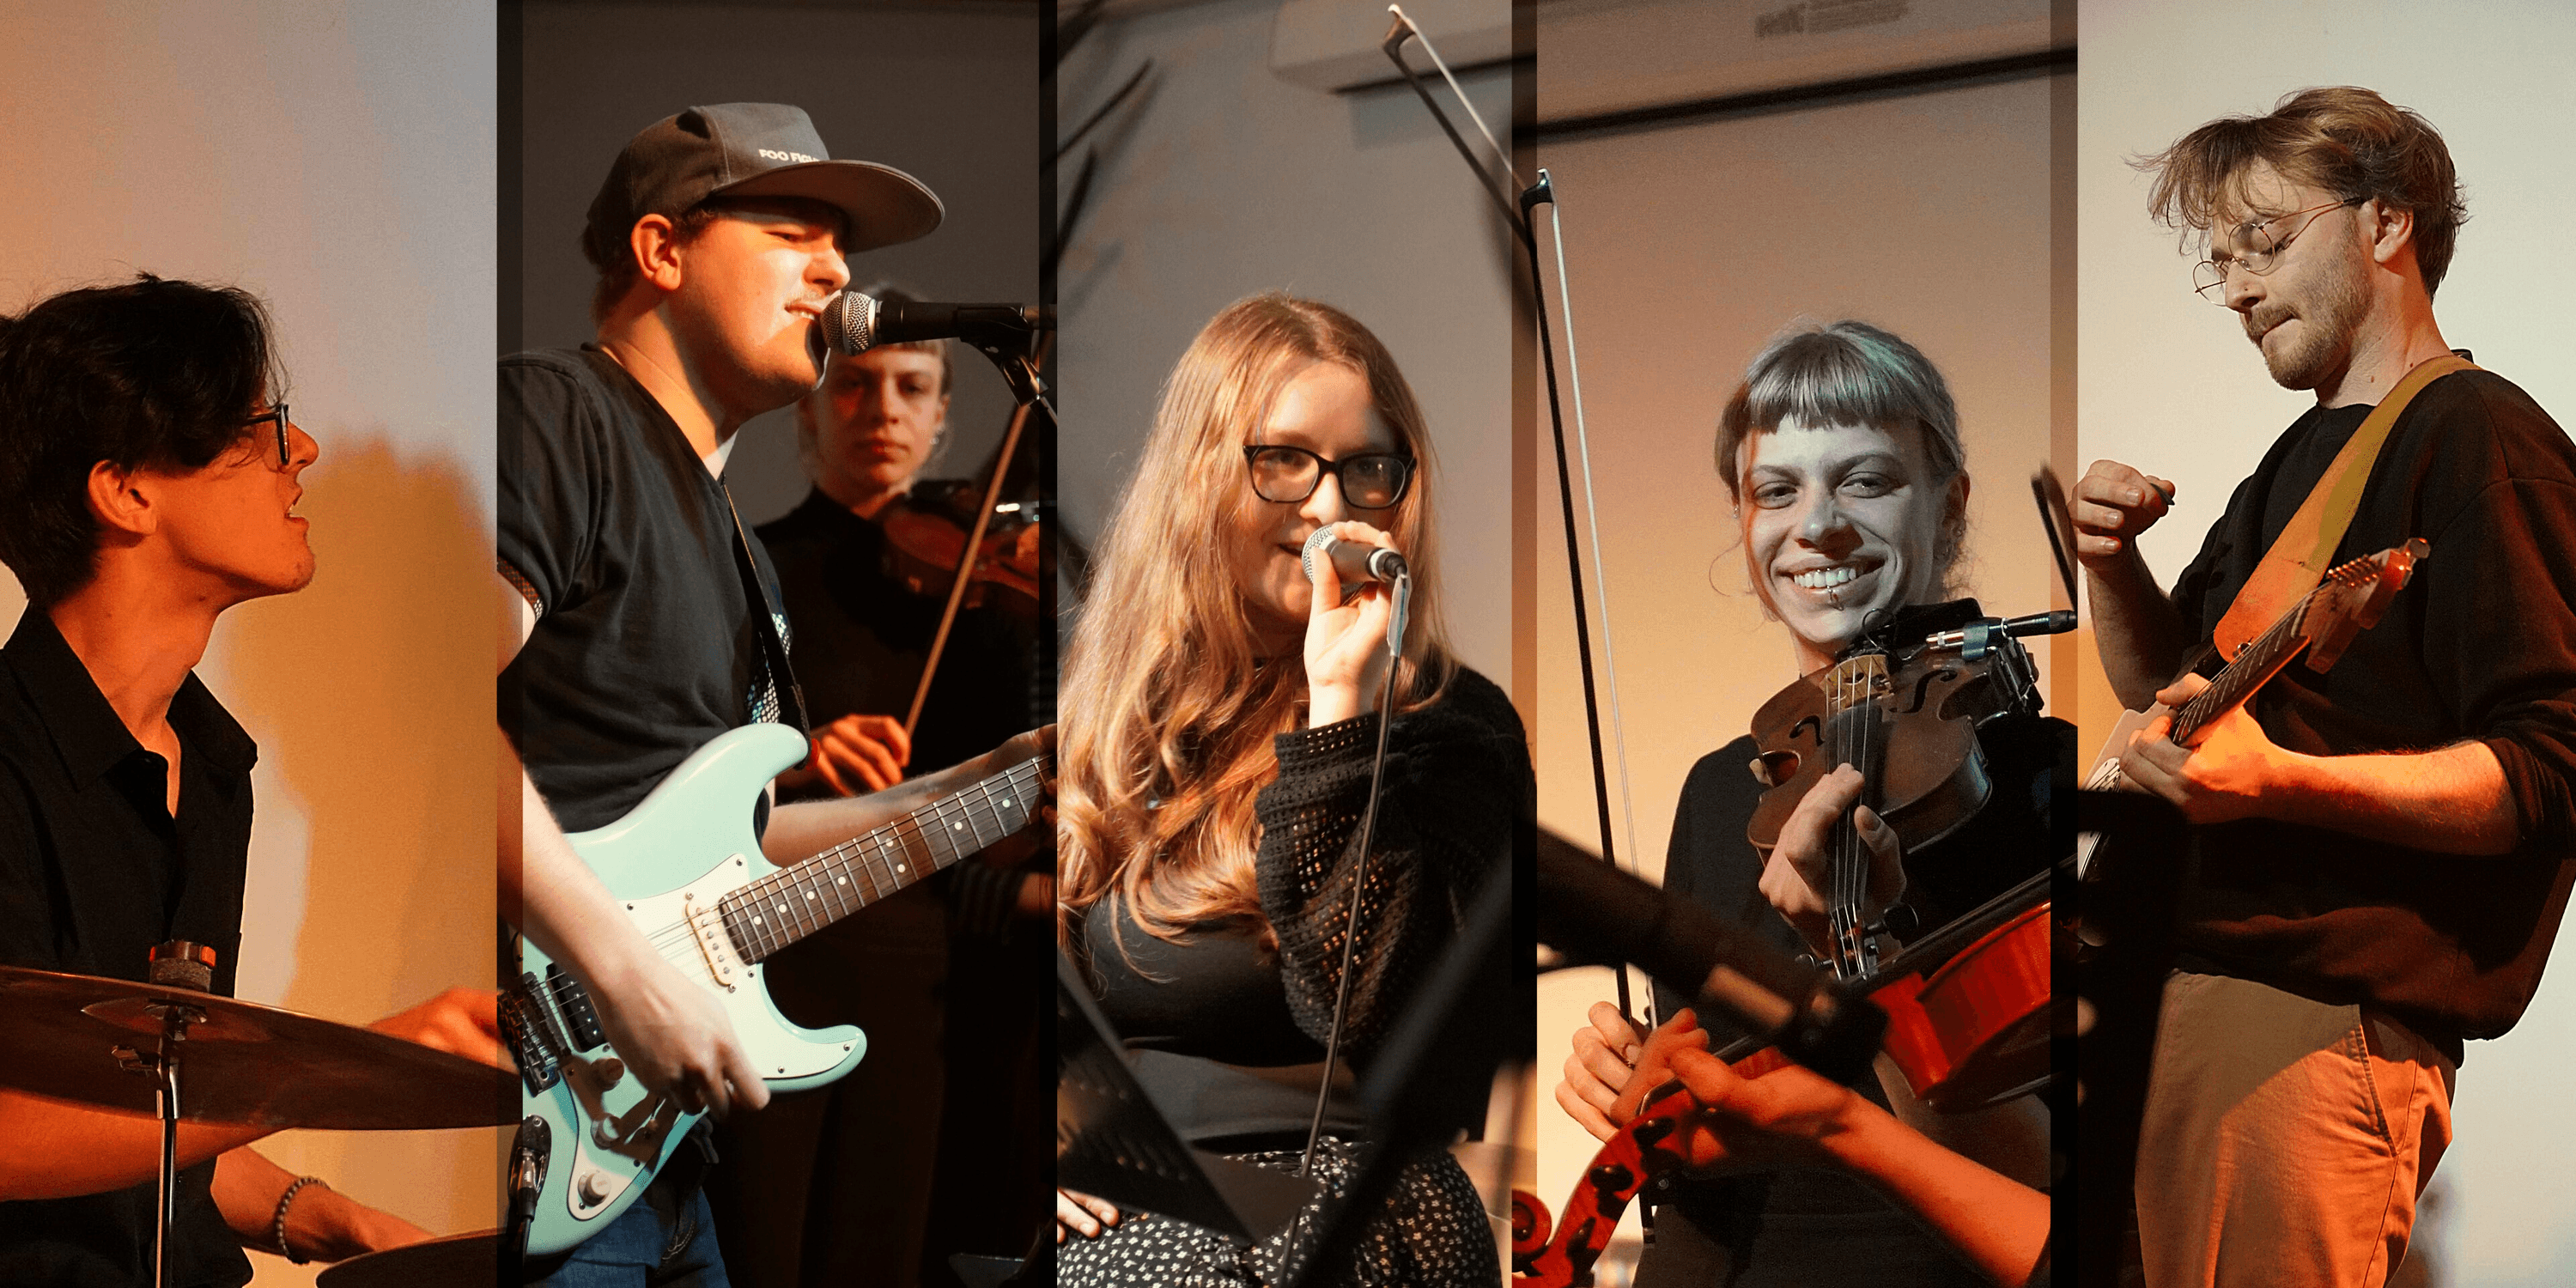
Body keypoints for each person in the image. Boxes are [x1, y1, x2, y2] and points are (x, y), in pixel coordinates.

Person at [498, 103, 1048, 1285]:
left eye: (841, 247)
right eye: (795, 231)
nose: (839, 270)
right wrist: (626, 975)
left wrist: (985, 787)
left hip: (665, 1158)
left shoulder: (740, 553)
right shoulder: (556, 417)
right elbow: (448, 720)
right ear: (661, 252)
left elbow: (744, 842)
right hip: (553, 1102)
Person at [2073, 87, 2576, 1287]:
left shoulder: (2480, 435)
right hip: (2178, 994)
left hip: (2298, 1020)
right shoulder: (2297, 462)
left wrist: (2285, 785)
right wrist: (2111, 563)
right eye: (2222, 263)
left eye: (2266, 242)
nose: (2238, 289)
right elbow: (2175, 697)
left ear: (2385, 224)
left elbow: (2552, 770)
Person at [0, 275, 505, 1285]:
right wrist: (323, 1072)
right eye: (257, 423)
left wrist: (334, 1220)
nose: (301, 449)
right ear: (128, 490)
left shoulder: (214, 765)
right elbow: (14, 1135)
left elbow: (157, 1120)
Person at [1554, 321, 2060, 1287]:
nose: (1816, 524)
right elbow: (1715, 1112)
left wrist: (1861, 942)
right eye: (1775, 491)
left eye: (1866, 481)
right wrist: (1644, 1088)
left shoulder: (2041, 783)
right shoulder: (1723, 787)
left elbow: (2050, 1194)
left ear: (1949, 504)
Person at [1054, 293, 1524, 1286]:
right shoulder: (1115, 720)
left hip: (1346, 1205)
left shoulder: (1451, 723)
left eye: (1367, 467)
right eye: (1284, 461)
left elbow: (1371, 1014)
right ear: (1200, 478)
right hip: (1128, 1200)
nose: (1328, 505)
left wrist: (1339, 718)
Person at [708, 288, 1049, 1287]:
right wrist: (799, 752)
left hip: (929, 971)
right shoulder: (750, 563)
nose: (885, 410)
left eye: (913, 389)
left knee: (886, 1256)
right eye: (853, 387)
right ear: (808, 410)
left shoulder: (996, 583)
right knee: (760, 1248)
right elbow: (692, 767)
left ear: (944, 415)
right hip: (779, 942)